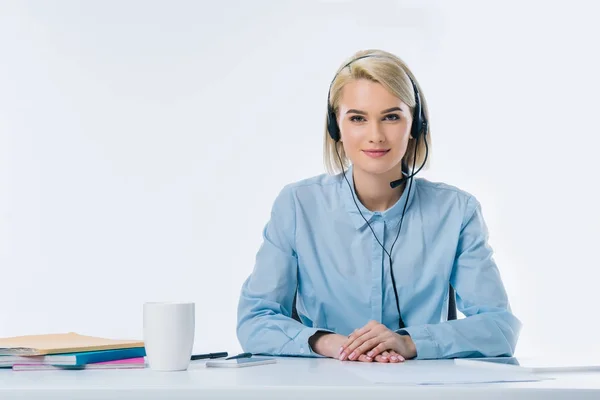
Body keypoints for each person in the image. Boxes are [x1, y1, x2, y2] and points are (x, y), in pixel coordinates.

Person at [236, 49, 521, 363]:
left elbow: (500, 328)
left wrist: (410, 342)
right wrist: (331, 343)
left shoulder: (456, 211)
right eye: (358, 118)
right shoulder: (297, 206)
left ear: (415, 125)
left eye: (391, 117)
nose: (375, 135)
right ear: (336, 128)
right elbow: (254, 321)